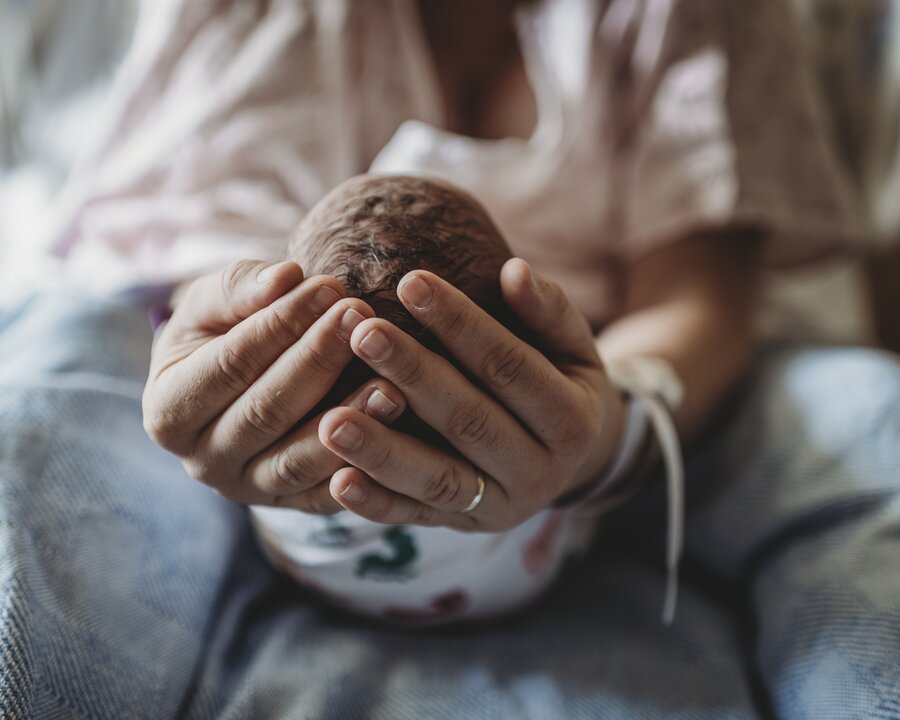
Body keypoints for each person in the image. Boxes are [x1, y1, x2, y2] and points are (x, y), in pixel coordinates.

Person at [8, 0, 893, 716]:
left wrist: (609, 426)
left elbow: (695, 298)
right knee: (57, 350)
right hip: (281, 457)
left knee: (863, 409)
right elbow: (211, 257)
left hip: (639, 409)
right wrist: (219, 352)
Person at [251, 172, 621, 623]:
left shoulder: (272, 469)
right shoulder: (526, 459)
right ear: (516, 337)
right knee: (579, 461)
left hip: (306, 572)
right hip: (515, 580)